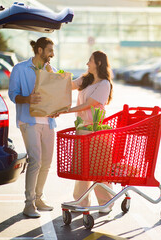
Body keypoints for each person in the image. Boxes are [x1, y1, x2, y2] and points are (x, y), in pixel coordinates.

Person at [57, 50, 114, 213]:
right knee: (82, 168)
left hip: (96, 130)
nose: (87, 63)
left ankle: (107, 202)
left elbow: (88, 104)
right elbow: (69, 85)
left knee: (97, 169)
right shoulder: (86, 79)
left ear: (99, 63)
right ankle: (81, 202)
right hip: (82, 129)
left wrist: (64, 110)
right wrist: (52, 75)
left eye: (90, 60)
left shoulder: (104, 84)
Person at [8, 37, 57, 218]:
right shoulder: (20, 69)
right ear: (39, 50)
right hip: (29, 121)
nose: (52, 54)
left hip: (48, 122)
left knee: (46, 163)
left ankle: (38, 198)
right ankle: (29, 204)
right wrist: (28, 99)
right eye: (50, 50)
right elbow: (13, 95)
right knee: (35, 160)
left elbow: (54, 95)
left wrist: (56, 109)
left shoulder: (49, 69)